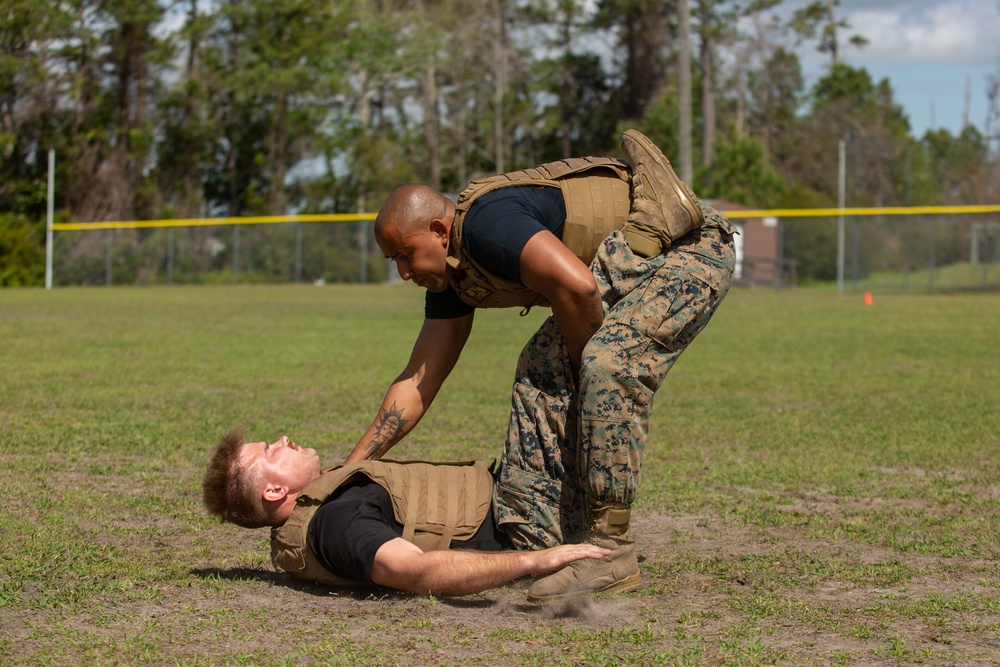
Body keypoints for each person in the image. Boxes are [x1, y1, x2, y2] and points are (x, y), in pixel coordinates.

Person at [343, 129, 738, 602]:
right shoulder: (449, 279)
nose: (404, 273)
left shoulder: (487, 226)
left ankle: (610, 550)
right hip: (619, 271)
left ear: (439, 231)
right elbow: (418, 381)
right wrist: (350, 471)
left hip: (688, 250)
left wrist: (580, 374)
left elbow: (580, 289)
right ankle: (550, 538)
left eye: (405, 256)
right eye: (394, 262)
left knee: (606, 364)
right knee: (540, 369)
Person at [202, 428, 611, 597]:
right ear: (274, 491)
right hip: (524, 519)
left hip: (517, 497)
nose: (283, 438)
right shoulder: (335, 525)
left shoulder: (323, 502)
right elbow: (416, 572)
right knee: (556, 369)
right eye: (271, 450)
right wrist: (532, 561)